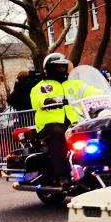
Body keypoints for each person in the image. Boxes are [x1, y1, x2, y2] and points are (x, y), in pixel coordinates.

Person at [28, 54, 80, 184]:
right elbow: (37, 100)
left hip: (74, 122)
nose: (61, 69)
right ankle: (63, 175)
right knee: (58, 134)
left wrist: (102, 92)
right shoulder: (41, 86)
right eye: (57, 67)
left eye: (62, 66)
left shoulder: (74, 84)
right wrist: (47, 100)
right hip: (49, 125)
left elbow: (91, 91)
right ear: (49, 68)